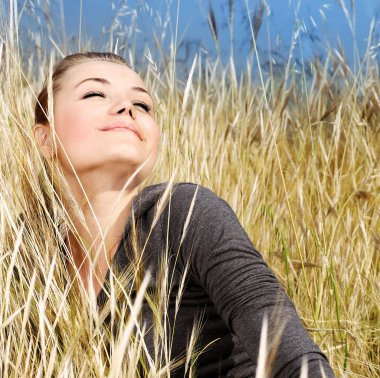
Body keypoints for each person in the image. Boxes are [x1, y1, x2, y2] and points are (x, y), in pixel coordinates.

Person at [33, 52, 335, 377]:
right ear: (45, 139)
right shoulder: (30, 263)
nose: (127, 108)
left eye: (143, 105)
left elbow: (298, 363)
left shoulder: (184, 212)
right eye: (94, 93)